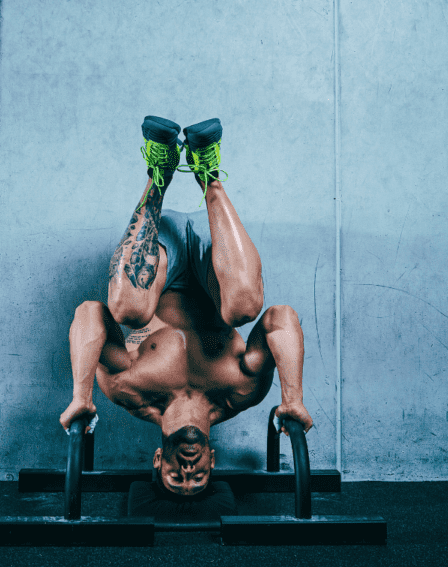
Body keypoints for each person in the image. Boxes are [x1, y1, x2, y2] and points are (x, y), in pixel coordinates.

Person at [59, 116, 313, 500]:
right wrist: (293, 399)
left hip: (159, 261)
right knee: (244, 308)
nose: (188, 471)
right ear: (212, 461)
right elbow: (281, 320)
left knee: (126, 310)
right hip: (218, 267)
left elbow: (88, 314)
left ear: (158, 461)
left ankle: (159, 171)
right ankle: (208, 173)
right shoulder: (239, 390)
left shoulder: (130, 389)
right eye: (198, 479)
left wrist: (81, 396)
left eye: (176, 479)